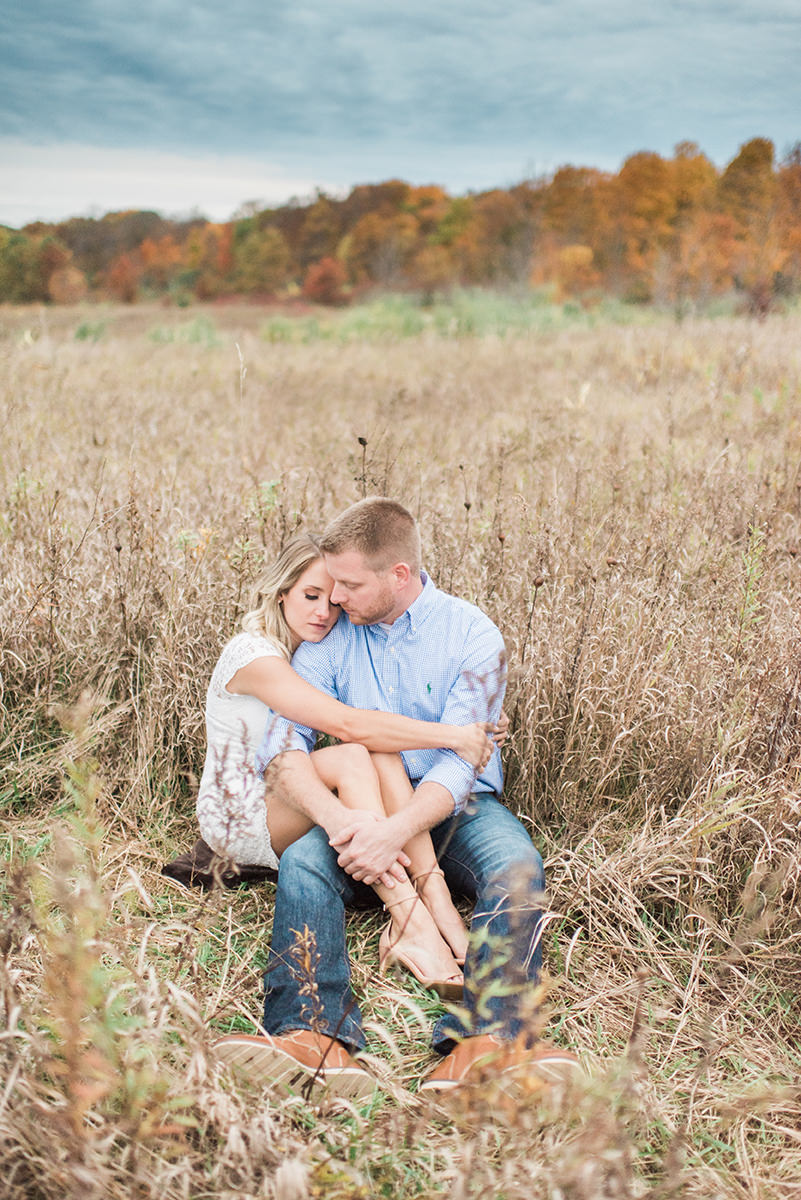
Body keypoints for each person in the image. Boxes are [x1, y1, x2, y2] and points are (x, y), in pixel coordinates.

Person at [215, 499, 579, 1098]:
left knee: (516, 869)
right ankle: (311, 1035)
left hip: (454, 810)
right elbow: (285, 752)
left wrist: (395, 830)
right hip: (368, 811)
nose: (335, 599)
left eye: (350, 586)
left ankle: (492, 1043)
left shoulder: (471, 634)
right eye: (329, 585)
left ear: (399, 577)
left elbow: (465, 763)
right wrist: (345, 824)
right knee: (304, 866)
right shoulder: (330, 643)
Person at [196, 533, 500, 1003]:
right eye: (310, 596)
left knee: (375, 751)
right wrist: (457, 736)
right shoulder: (254, 656)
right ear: (282, 594)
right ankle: (411, 921)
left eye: (333, 600)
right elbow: (346, 722)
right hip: (239, 813)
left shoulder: (301, 652)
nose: (325, 611)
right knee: (355, 749)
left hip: (278, 795)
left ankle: (435, 898)